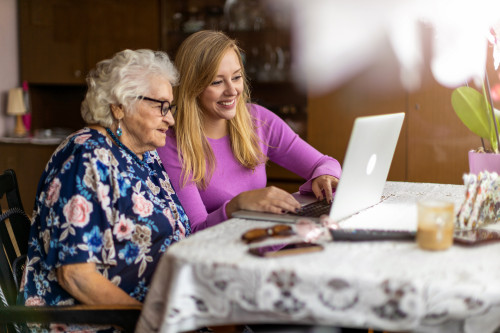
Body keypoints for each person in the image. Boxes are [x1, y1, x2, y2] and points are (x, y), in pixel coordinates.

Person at [19, 49, 190, 329]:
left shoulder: (144, 154)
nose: (169, 119)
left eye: (170, 107)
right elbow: (76, 275)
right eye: (161, 106)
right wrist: (150, 320)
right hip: (101, 322)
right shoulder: (87, 158)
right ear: (119, 106)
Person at [157, 30, 342, 232]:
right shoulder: (170, 141)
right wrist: (237, 205)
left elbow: (324, 163)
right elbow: (195, 231)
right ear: (193, 87)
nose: (232, 90)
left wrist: (324, 176)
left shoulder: (257, 119)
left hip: (270, 241)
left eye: (236, 77)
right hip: (220, 254)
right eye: (217, 82)